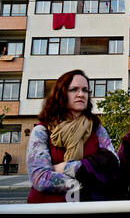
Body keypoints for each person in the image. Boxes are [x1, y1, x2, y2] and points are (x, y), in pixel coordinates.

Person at [26, 69, 120, 203]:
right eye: (74, 89)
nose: (81, 94)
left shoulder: (96, 128)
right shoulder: (42, 130)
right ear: (61, 93)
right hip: (48, 208)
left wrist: (65, 168)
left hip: (87, 207)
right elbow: (39, 178)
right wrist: (80, 179)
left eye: (85, 90)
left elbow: (113, 162)